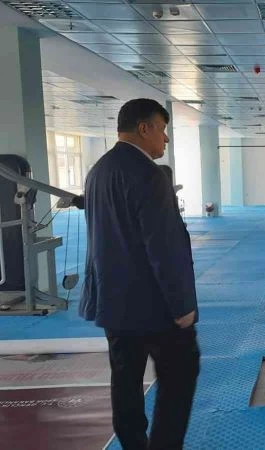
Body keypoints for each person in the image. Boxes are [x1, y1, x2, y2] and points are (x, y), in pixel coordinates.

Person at [80, 98, 199, 450]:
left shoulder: (98, 171)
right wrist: (182, 305)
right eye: (162, 130)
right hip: (154, 305)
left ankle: (133, 444)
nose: (166, 138)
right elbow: (163, 247)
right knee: (181, 374)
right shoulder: (149, 174)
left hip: (114, 303)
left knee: (125, 381)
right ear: (144, 128)